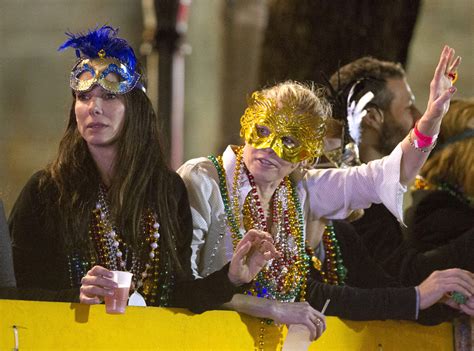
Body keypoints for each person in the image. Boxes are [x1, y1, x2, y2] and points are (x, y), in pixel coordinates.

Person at [178, 45, 474, 340]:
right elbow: (183, 288)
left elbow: (386, 175)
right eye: (263, 131)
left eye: (289, 141)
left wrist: (430, 121)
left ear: (306, 156)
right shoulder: (205, 179)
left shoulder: (301, 190)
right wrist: (273, 308)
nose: (268, 148)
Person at [8, 26, 278, 312]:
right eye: (83, 97)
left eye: (110, 96)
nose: (94, 107)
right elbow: (11, 295)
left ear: (134, 108)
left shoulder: (167, 190)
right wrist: (75, 298)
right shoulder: (47, 191)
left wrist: (231, 278)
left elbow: (178, 297)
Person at [328, 57, 474, 287]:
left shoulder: (373, 186)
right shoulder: (348, 193)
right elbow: (402, 278)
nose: (418, 117)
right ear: (374, 118)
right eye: (408, 107)